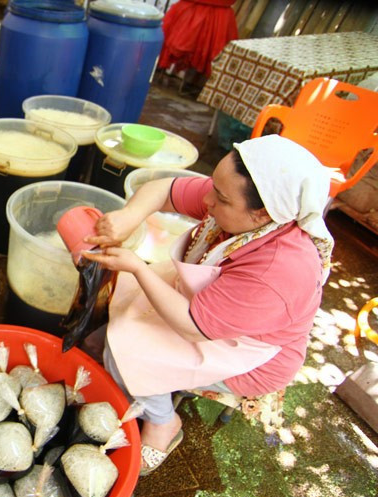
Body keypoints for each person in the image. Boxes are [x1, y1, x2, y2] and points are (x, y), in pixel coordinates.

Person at [81, 134, 335, 476]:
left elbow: (192, 326)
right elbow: (164, 189)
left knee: (121, 353)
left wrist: (138, 268)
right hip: (204, 307)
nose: (207, 199)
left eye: (221, 198)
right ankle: (135, 382)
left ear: (262, 214)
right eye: (214, 186)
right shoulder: (235, 199)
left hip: (245, 351)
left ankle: (163, 423)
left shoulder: (278, 271)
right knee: (107, 337)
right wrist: (130, 215)